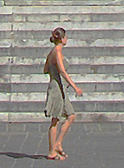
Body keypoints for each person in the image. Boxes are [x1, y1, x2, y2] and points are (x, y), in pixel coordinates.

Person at [43, 27, 83, 160]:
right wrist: (75, 87)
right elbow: (62, 71)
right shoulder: (57, 52)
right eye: (66, 37)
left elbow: (45, 69)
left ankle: (58, 144)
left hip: (60, 88)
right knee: (55, 120)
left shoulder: (54, 52)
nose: (67, 39)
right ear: (62, 38)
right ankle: (51, 151)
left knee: (70, 116)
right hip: (56, 89)